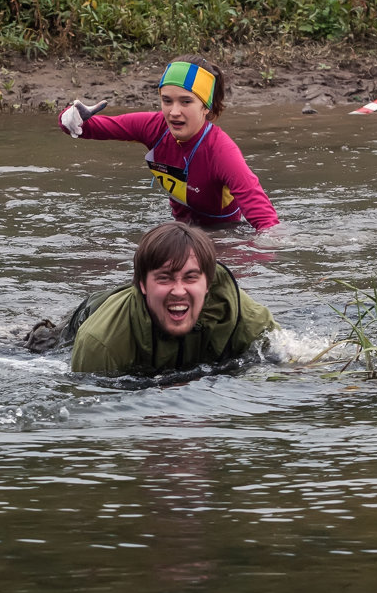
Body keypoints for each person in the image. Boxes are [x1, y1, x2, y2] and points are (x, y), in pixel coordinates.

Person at [59, 55, 280, 232]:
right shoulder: (153, 127)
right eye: (167, 101)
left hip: (222, 234)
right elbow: (85, 128)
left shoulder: (222, 152)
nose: (174, 112)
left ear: (206, 107)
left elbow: (265, 219)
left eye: (186, 101)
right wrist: (70, 118)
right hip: (178, 231)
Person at [25, 221, 278, 376]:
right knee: (43, 342)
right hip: (90, 316)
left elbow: (289, 358)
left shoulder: (239, 314)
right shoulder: (101, 342)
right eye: (165, 278)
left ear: (208, 284)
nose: (179, 290)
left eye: (190, 278)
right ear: (143, 285)